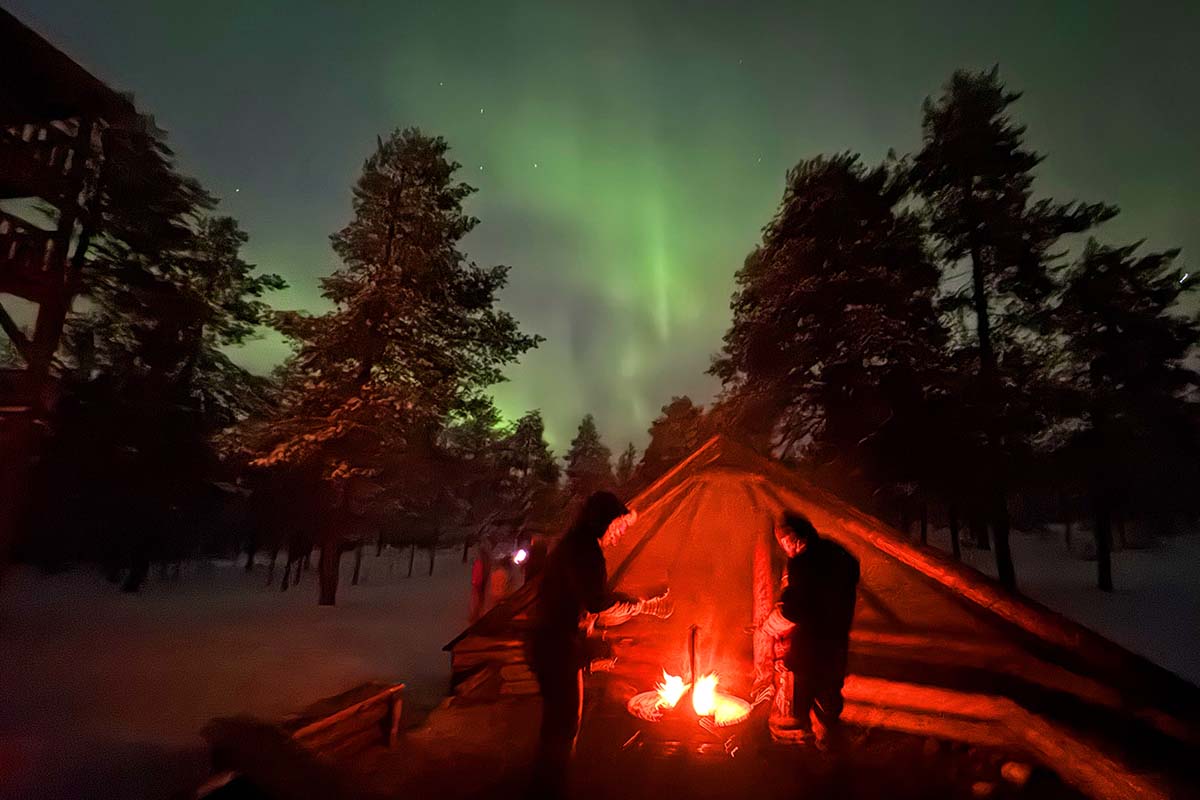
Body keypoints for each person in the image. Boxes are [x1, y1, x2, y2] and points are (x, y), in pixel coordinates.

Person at [525, 491, 643, 798]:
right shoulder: (585, 550)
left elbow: (587, 600)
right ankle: (549, 789)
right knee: (563, 724)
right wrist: (635, 606)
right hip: (554, 646)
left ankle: (549, 784)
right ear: (602, 521)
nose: (619, 534)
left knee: (560, 723)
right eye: (617, 526)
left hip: (554, 643)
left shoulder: (578, 546)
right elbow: (596, 600)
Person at [762, 511, 860, 744]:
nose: (785, 548)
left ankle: (816, 744)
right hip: (836, 636)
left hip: (812, 643)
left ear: (794, 538)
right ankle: (828, 736)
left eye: (784, 542)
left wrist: (770, 624)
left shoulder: (803, 562)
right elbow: (850, 569)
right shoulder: (836, 553)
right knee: (830, 688)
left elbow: (795, 608)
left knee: (808, 687)